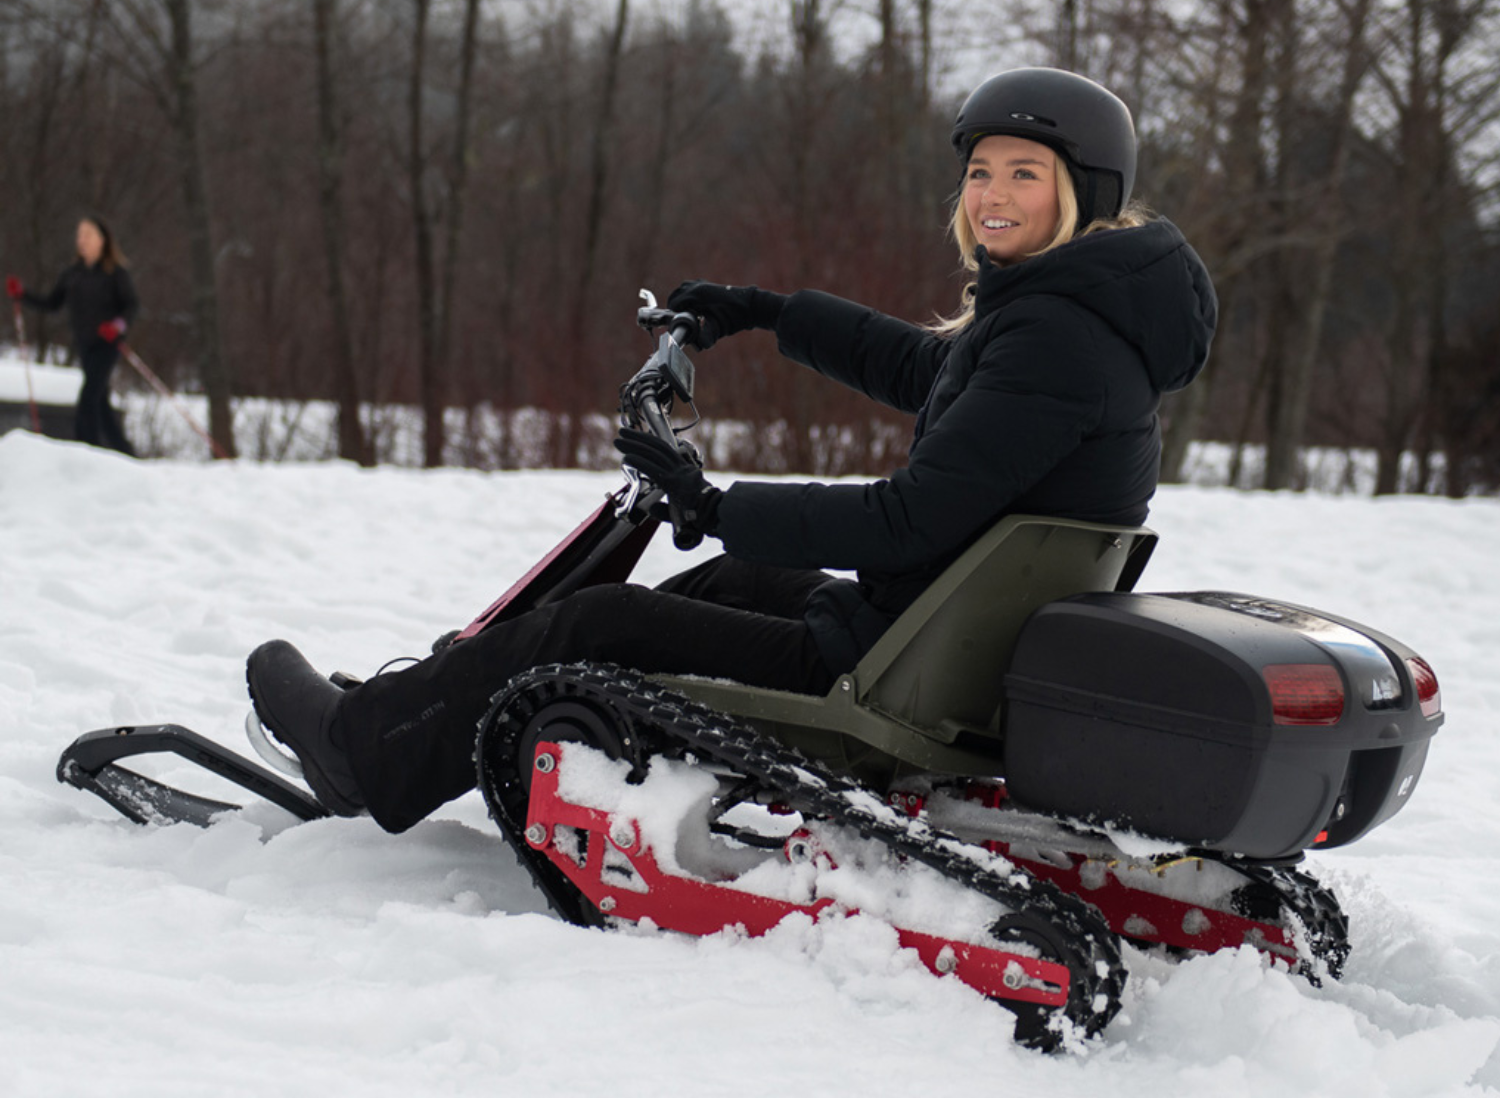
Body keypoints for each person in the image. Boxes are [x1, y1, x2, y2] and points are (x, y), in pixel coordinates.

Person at [246, 67, 1218, 832]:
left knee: (595, 623)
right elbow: (931, 372)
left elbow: (907, 517)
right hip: (927, 639)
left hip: (893, 668)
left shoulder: (1056, 339)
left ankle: (365, 753)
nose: (992, 194)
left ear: (1084, 194)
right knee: (725, 584)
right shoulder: (1076, 317)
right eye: (980, 170)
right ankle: (433, 714)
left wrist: (712, 503)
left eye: (1024, 174)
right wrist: (764, 313)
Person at [7, 216, 140, 455]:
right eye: (79, 235)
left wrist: (117, 326)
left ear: (102, 240)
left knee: (88, 399)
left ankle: (86, 453)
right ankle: (126, 455)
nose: (82, 240)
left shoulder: (115, 273)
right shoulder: (72, 274)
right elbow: (51, 303)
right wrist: (22, 295)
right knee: (100, 403)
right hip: (85, 343)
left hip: (107, 343)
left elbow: (131, 306)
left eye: (88, 234)